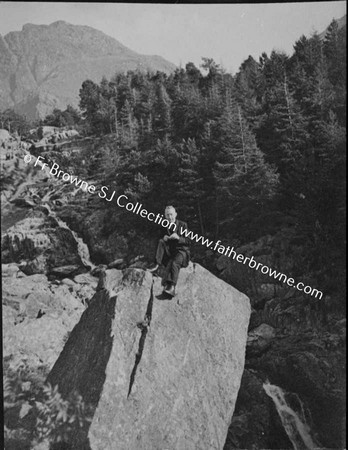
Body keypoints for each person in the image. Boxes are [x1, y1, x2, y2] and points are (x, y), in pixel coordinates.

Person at [148, 205, 190, 297]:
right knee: (161, 241)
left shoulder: (183, 225)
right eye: (167, 215)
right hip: (170, 252)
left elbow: (188, 241)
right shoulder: (164, 225)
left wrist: (179, 238)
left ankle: (171, 287)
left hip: (181, 252)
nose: (170, 217)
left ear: (175, 214)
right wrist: (164, 237)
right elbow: (158, 241)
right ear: (165, 216)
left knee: (174, 263)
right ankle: (156, 264)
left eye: (171, 214)